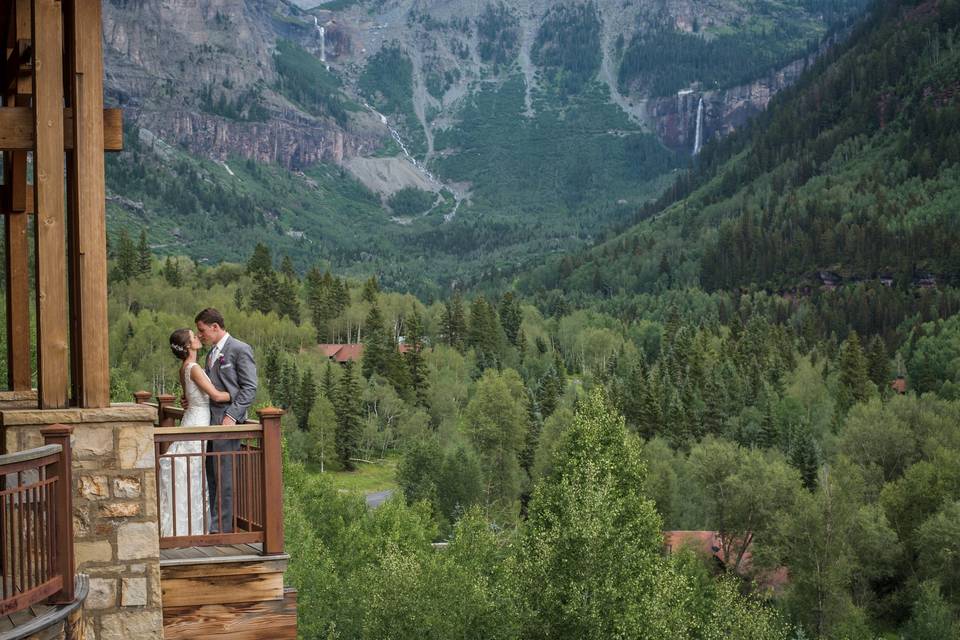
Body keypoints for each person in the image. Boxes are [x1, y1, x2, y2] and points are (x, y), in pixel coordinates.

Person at [160, 328, 230, 538]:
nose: (198, 337)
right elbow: (216, 397)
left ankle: (189, 528)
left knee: (192, 473)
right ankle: (190, 530)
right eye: (194, 336)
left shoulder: (184, 368)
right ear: (188, 346)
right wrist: (236, 394)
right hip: (199, 421)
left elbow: (189, 397)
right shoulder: (194, 368)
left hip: (192, 417)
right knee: (194, 473)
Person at [195, 308, 258, 533]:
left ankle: (221, 528)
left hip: (227, 425)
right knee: (211, 475)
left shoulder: (240, 349)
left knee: (225, 477)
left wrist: (232, 416)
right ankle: (212, 524)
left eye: (202, 330)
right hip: (209, 423)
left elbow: (250, 388)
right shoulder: (210, 354)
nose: (199, 335)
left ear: (215, 327)